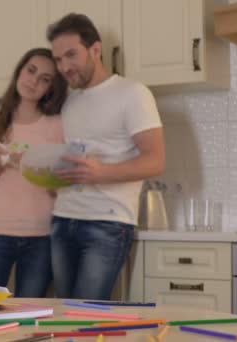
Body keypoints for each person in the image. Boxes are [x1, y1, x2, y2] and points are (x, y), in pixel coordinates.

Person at [47, 13, 166, 300]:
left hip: (108, 223)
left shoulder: (133, 93)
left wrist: (100, 173)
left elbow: (156, 160)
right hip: (63, 219)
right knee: (63, 314)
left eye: (71, 55)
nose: (64, 66)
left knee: (84, 317)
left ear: (95, 50)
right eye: (58, 59)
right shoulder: (68, 101)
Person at [0, 48, 68, 298]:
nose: (33, 81)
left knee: (30, 315)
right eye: (31, 70)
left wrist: (34, 167)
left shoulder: (57, 125)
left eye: (45, 78)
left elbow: (61, 189)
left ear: (51, 88)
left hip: (41, 237)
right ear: (19, 71)